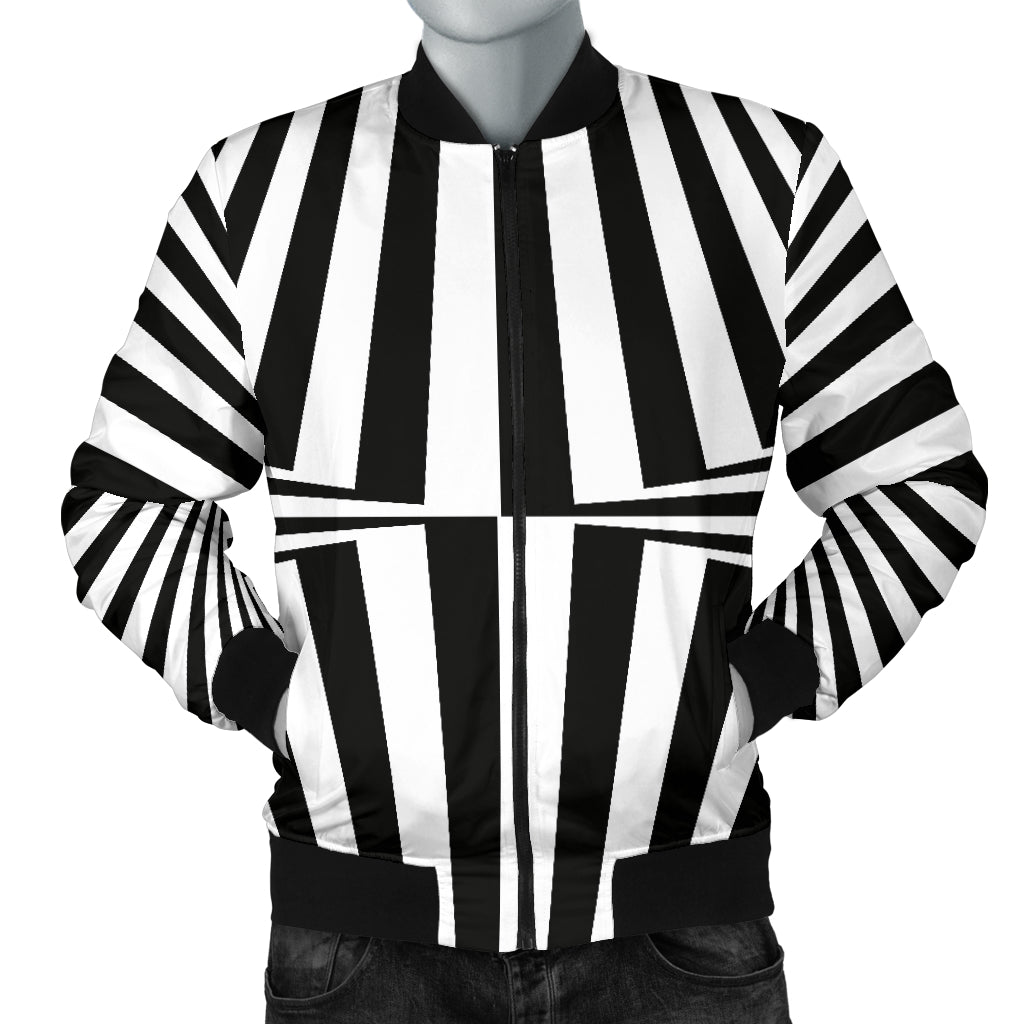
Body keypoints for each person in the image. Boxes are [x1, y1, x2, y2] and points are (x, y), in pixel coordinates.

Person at [59, 1, 988, 1021]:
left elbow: (918, 481)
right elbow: (127, 502)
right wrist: (281, 700)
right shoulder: (259, 189)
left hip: (677, 936)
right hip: (362, 942)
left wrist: (751, 687)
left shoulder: (764, 175)